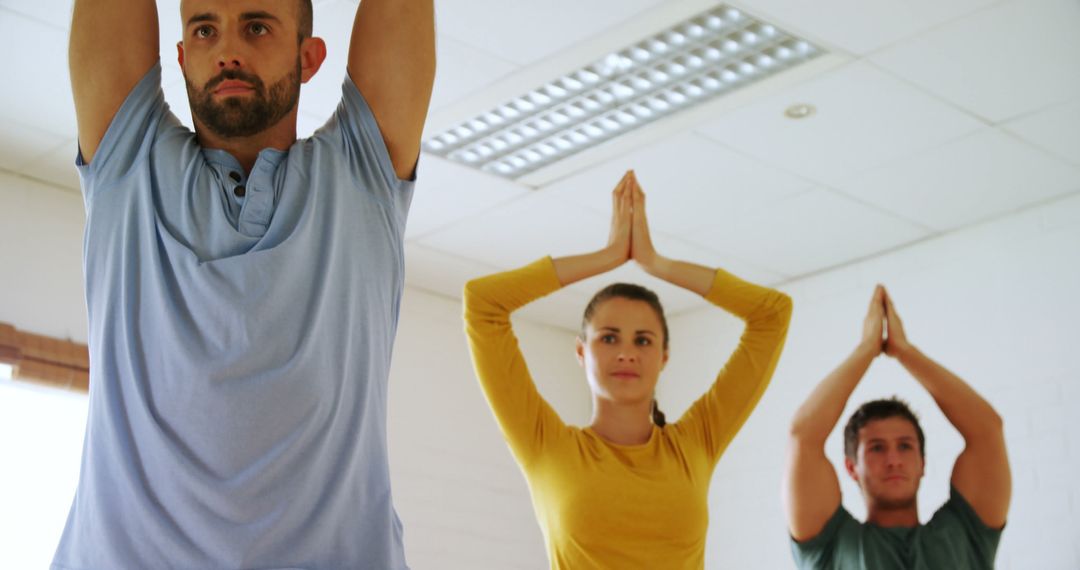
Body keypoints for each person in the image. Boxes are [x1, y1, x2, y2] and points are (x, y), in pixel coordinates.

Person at [54, 0, 434, 567]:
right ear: (181, 58)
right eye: (204, 30)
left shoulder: (361, 172)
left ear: (309, 57)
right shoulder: (127, 163)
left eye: (256, 27)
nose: (227, 50)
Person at [463, 171, 793, 569]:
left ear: (664, 356)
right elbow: (483, 303)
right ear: (581, 353)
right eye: (608, 338)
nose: (626, 353)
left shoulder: (695, 445)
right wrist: (607, 256)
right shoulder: (547, 448)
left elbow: (772, 314)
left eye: (642, 340)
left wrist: (656, 263)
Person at [784, 286, 1011, 569]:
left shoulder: (965, 532)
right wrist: (866, 350)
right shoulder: (831, 544)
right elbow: (803, 435)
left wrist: (904, 351)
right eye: (877, 448)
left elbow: (988, 430)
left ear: (923, 462)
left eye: (905, 446)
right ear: (852, 467)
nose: (893, 460)